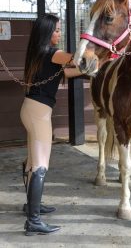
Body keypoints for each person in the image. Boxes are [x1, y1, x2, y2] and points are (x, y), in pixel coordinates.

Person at [20, 14, 82, 236]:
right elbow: (79, 60)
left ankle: (31, 208)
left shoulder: (41, 53)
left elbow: (68, 71)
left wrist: (93, 66)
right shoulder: (53, 53)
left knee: (32, 163)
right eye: (56, 30)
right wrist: (103, 53)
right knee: (40, 166)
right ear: (47, 32)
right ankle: (33, 221)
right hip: (39, 114)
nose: (59, 33)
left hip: (31, 109)